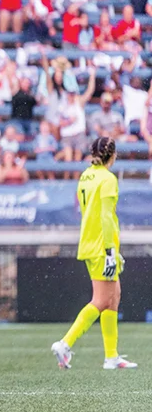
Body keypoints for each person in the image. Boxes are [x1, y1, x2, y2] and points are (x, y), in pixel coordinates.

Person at [51, 138, 136, 371]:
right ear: (113, 155)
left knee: (114, 295)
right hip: (102, 245)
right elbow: (107, 217)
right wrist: (110, 250)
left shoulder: (85, 176)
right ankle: (65, 343)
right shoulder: (108, 179)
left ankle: (112, 357)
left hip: (89, 242)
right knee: (101, 300)